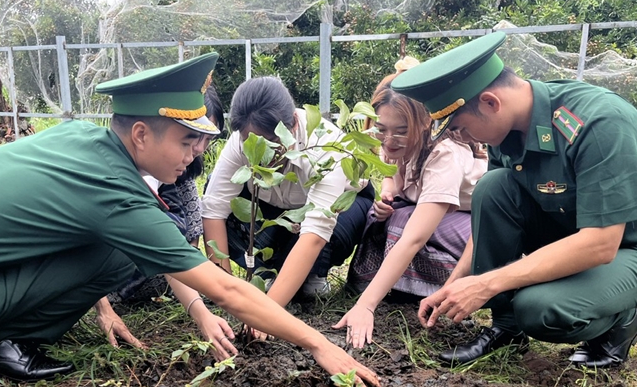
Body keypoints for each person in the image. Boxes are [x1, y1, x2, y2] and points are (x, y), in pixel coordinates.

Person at [0, 52, 381, 387]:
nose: (193, 160)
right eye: (187, 144)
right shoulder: (116, 194)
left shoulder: (83, 139)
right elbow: (226, 292)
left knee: (122, 247)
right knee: (122, 252)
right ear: (141, 134)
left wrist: (197, 313)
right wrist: (318, 344)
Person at [391, 31, 637, 368]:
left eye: (460, 127)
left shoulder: (599, 123)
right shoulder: (506, 130)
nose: (462, 138)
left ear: (490, 102)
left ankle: (621, 322)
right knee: (493, 187)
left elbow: (601, 244)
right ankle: (506, 328)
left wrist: (486, 284)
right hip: (570, 231)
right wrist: (457, 282)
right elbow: (492, 218)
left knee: (539, 309)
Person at [335, 65, 487, 349]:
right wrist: (388, 193)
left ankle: (441, 288)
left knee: (404, 224)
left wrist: (365, 307)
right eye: (381, 130)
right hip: (434, 215)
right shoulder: (393, 145)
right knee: (382, 216)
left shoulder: (445, 154)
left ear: (425, 124)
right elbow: (390, 171)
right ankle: (403, 287)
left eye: (401, 132)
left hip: (475, 227)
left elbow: (414, 237)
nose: (389, 141)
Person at [202, 76, 375, 310]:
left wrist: (267, 313)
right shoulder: (240, 143)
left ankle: (313, 273)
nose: (263, 154)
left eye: (272, 142)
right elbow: (214, 209)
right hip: (277, 215)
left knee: (321, 240)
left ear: (293, 123)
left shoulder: (326, 147)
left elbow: (315, 233)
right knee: (219, 191)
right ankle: (269, 270)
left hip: (334, 213)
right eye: (251, 143)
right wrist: (224, 292)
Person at [105, 83, 233, 359]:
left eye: (206, 140)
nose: (197, 149)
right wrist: (105, 310)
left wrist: (200, 306)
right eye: (190, 139)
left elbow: (183, 248)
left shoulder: (180, 171)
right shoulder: (118, 180)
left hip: (163, 281)